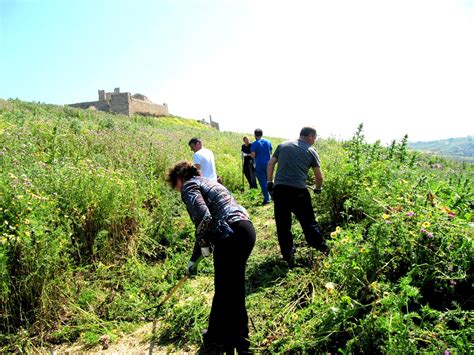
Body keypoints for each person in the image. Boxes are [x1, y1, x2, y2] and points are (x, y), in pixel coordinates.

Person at [166, 161, 256, 354]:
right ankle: (221, 336)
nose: (177, 189)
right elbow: (206, 222)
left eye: (175, 185)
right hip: (245, 230)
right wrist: (195, 256)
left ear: (180, 179)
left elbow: (204, 217)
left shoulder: (189, 186)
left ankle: (238, 343)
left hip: (230, 234)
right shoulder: (209, 182)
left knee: (228, 290)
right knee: (229, 289)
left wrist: (204, 244)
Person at [266, 127, 326, 267]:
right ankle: (322, 250)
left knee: (283, 225)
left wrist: (270, 182)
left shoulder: (282, 145)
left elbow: (271, 164)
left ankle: (288, 256)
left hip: (280, 191)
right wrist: (317, 189)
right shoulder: (311, 151)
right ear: (310, 136)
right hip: (299, 192)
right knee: (309, 223)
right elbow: (319, 177)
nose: (314, 141)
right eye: (315, 138)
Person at [250, 129, 272, 204]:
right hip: (269, 164)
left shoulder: (254, 144)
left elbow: (253, 155)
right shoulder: (268, 142)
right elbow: (271, 152)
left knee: (263, 182)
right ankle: (273, 196)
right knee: (270, 181)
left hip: (259, 164)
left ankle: (267, 198)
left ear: (255, 135)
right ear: (262, 134)